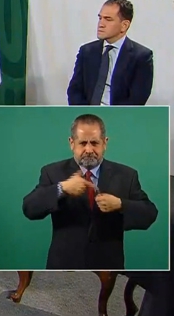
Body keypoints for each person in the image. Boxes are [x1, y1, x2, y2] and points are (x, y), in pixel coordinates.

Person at [22, 114, 158, 269]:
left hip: (108, 266)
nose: (88, 150)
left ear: (105, 143)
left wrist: (120, 204)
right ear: (72, 143)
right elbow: (29, 208)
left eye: (94, 143)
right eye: (82, 143)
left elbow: (150, 213)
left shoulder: (127, 175)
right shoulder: (52, 172)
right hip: (64, 265)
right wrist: (62, 188)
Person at [66, 0, 153, 105]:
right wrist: (87, 113)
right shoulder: (87, 51)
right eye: (100, 18)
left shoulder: (141, 56)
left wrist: (112, 114)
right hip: (88, 113)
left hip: (119, 114)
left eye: (108, 19)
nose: (101, 24)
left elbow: (137, 99)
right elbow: (75, 90)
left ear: (124, 25)